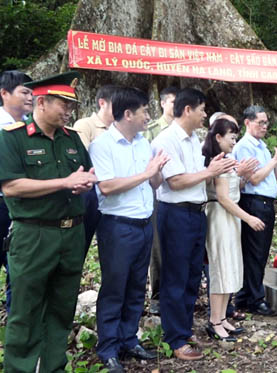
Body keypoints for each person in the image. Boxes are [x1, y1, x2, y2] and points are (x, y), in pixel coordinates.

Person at [0, 71, 97, 373]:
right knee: (25, 312)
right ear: (41, 102)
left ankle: (53, 367)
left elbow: (85, 175)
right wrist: (65, 182)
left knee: (62, 310)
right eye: (63, 105)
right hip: (34, 235)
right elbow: (11, 186)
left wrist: (82, 183)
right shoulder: (11, 138)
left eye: (71, 106)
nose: (69, 111)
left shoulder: (72, 139)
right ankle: (20, 368)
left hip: (71, 234)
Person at [151, 88, 238, 359]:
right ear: (187, 109)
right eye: (202, 109)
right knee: (175, 276)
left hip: (196, 213)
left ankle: (184, 329)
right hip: (175, 213)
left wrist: (210, 171)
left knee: (192, 276)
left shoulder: (192, 140)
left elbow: (198, 176)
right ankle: (175, 339)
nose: (205, 115)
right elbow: (175, 181)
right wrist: (209, 172)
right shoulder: (167, 140)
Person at [89, 86, 169, 372]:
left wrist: (157, 170)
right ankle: (108, 347)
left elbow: (155, 184)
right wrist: (146, 173)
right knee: (115, 287)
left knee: (137, 286)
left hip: (144, 224)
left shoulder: (143, 144)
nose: (149, 117)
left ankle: (129, 338)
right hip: (117, 227)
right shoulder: (103, 145)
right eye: (145, 111)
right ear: (127, 114)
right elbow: (107, 187)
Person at [202, 118, 262, 342]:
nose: (234, 142)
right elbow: (224, 198)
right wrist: (248, 218)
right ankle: (214, 321)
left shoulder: (228, 160)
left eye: (236, 137)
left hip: (231, 218)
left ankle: (223, 317)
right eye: (231, 137)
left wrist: (241, 174)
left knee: (230, 267)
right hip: (220, 216)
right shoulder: (216, 161)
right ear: (218, 137)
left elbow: (233, 189)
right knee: (220, 269)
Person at [233, 105, 277, 316]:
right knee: (254, 252)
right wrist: (275, 160)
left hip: (266, 202)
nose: (265, 127)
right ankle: (254, 299)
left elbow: (271, 179)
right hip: (253, 202)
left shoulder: (262, 146)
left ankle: (245, 295)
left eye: (267, 122)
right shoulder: (244, 147)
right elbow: (255, 178)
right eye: (260, 122)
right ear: (247, 123)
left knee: (260, 252)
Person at [0, 70, 32, 310]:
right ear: (4, 93)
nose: (30, 97)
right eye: (24, 92)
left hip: (23, 206)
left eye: (31, 92)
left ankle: (16, 323)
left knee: (19, 269)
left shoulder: (29, 126)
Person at [143, 86, 178, 315]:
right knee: (157, 248)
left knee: (177, 245)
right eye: (173, 102)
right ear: (163, 103)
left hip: (181, 197)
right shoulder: (153, 130)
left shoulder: (190, 132)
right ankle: (157, 295)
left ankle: (175, 292)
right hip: (157, 194)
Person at [73, 84, 117, 255]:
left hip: (112, 196)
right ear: (102, 103)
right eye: (116, 103)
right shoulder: (85, 125)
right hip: (91, 193)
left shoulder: (119, 129)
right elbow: (83, 160)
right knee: (80, 246)